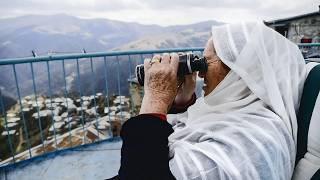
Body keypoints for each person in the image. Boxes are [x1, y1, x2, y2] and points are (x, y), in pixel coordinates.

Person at [108, 22, 307, 180]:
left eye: (207, 62)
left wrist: (156, 99)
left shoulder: (250, 144)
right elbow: (166, 150)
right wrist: (181, 104)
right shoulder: (238, 113)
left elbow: (141, 174)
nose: (201, 73)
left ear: (241, 71)